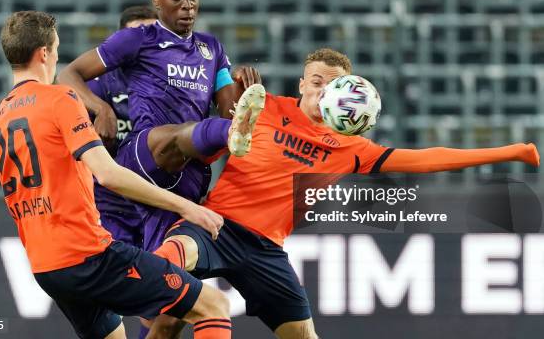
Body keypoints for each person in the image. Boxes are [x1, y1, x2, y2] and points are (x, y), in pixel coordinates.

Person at [152, 48, 541, 339]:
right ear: (302, 83)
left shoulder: (349, 146)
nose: (322, 91)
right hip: (217, 225)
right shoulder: (264, 106)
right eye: (316, 81)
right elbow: (206, 125)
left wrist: (512, 151)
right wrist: (229, 90)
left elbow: (427, 159)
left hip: (265, 249)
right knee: (170, 272)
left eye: (332, 85)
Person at [0, 10, 235, 339]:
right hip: (87, 256)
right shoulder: (59, 98)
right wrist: (187, 207)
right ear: (44, 52)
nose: (58, 56)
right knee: (214, 306)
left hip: (45, 266)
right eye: (57, 48)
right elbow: (108, 174)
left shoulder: (0, 117)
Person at [58, 0, 263, 338]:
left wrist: (238, 96)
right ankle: (238, 135)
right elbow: (69, 74)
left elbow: (224, 108)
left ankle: (238, 133)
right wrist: (99, 108)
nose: (188, 5)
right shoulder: (138, 39)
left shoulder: (212, 49)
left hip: (185, 180)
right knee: (184, 134)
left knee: (166, 315)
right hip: (146, 154)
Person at [86, 5, 157, 247]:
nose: (143, 43)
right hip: (113, 208)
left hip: (159, 203)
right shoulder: (100, 82)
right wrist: (100, 108)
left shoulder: (175, 80)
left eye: (151, 34)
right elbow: (68, 85)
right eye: (136, 35)